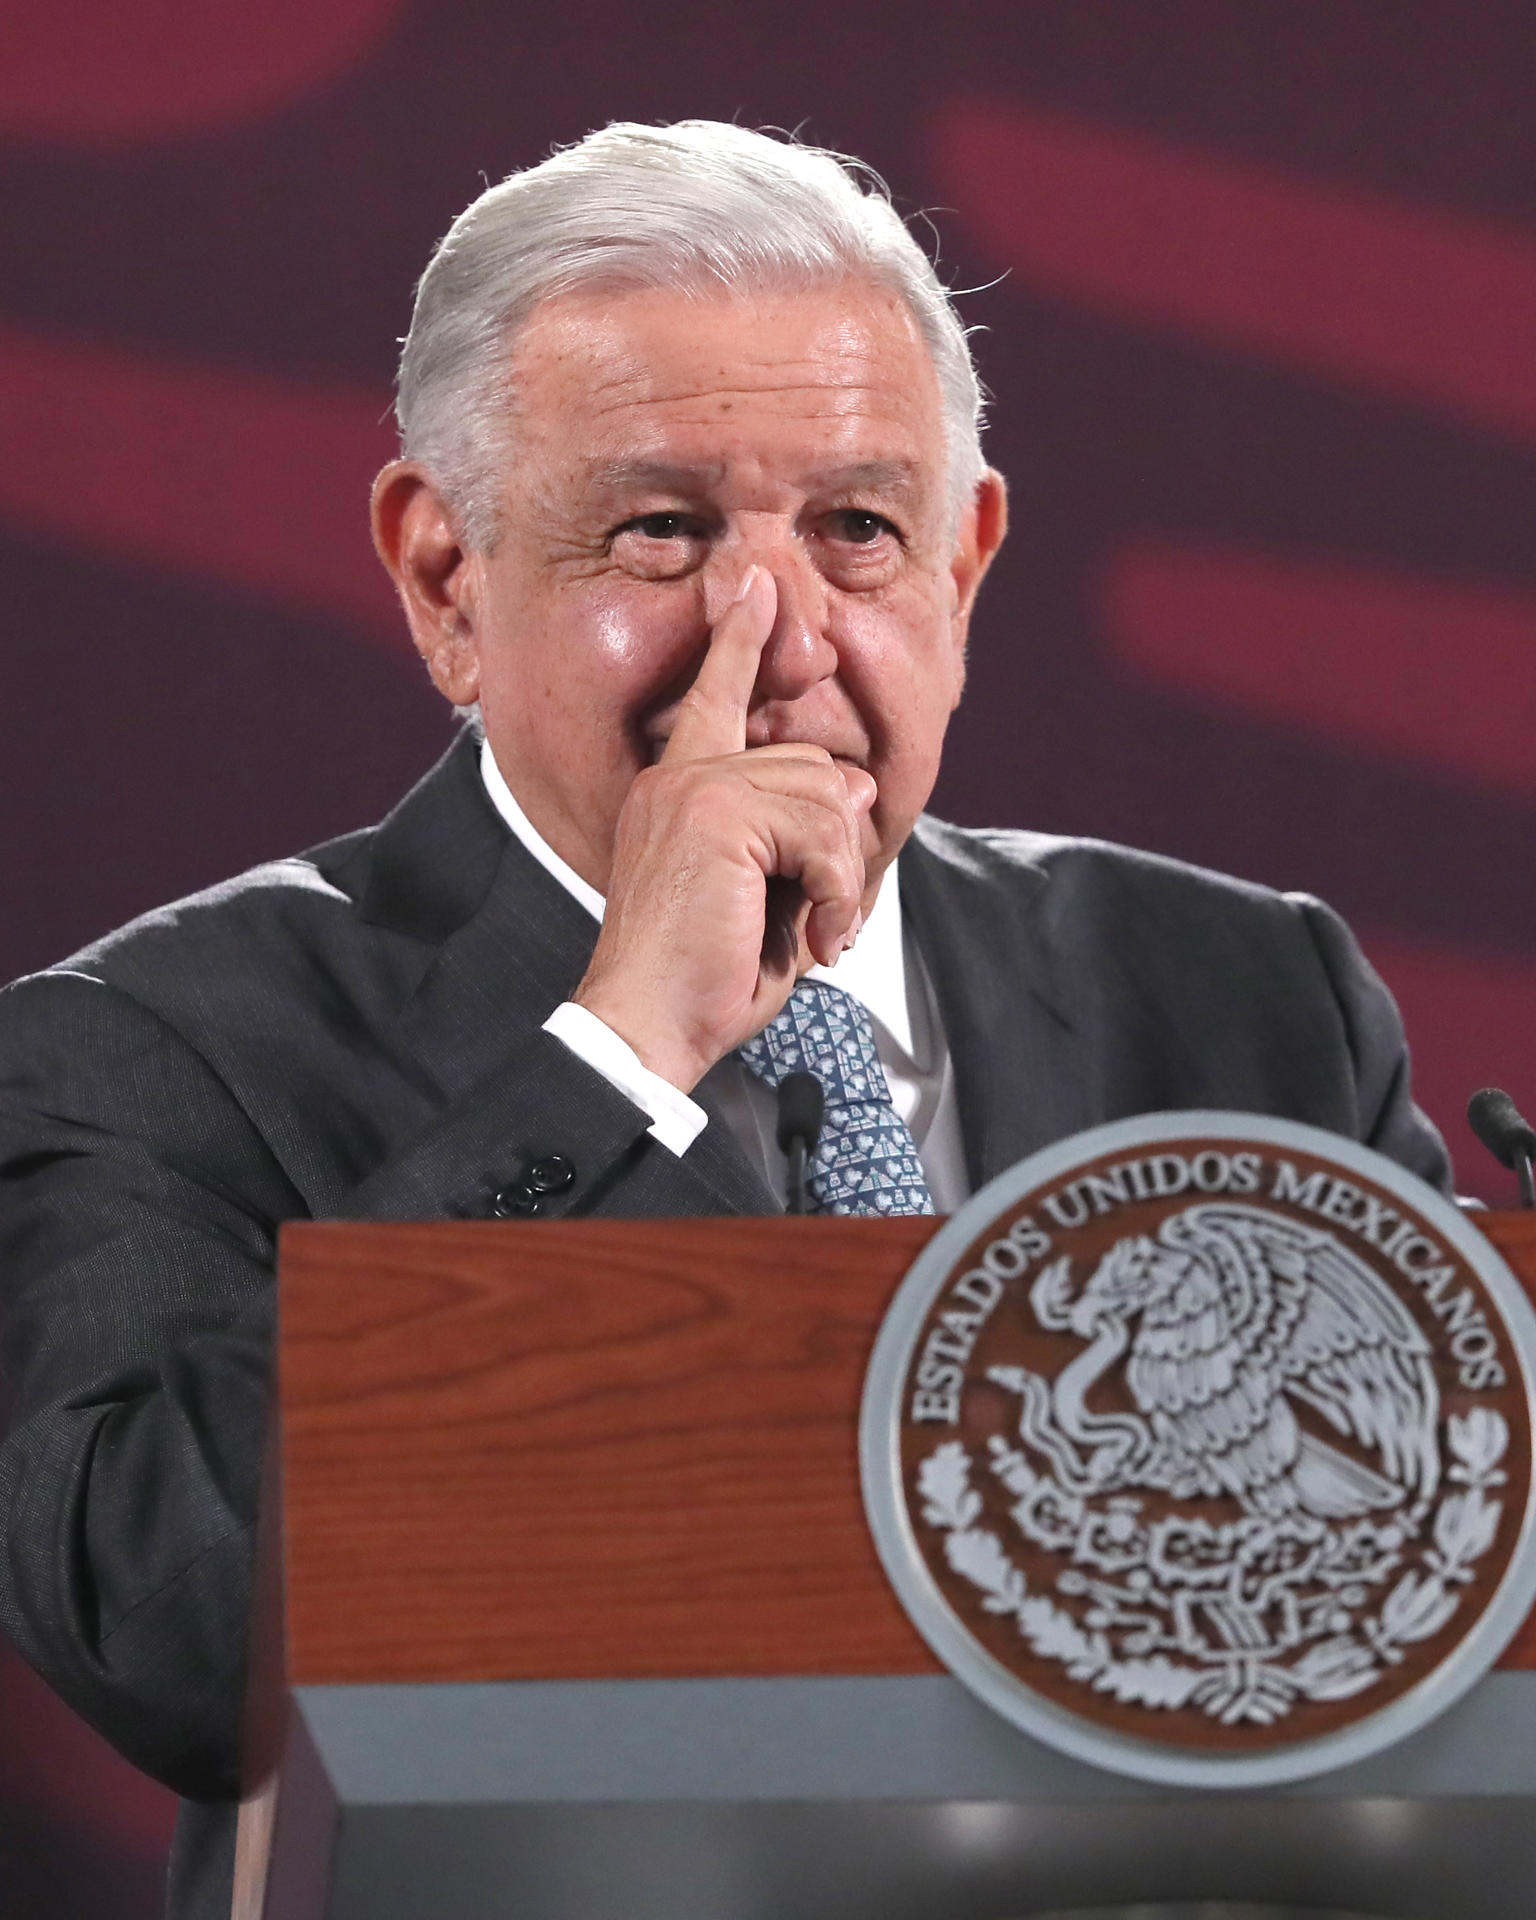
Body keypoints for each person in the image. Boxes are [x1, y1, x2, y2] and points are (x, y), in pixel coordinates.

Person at [0, 121, 1449, 1920]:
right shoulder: (152, 1049)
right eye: (662, 529)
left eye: (858, 529)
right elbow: (183, 1642)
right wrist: (616, 1057)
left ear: (966, 563)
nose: (772, 639)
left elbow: (1447, 1608)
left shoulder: (1246, 994)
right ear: (447, 578)